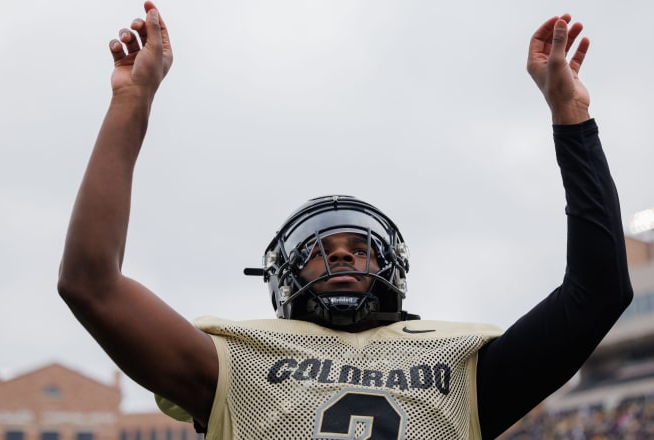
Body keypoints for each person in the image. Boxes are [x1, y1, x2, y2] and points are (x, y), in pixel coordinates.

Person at [57, 2, 633, 439]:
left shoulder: (466, 369)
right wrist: (131, 104)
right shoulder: (233, 361)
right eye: (319, 248)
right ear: (281, 274)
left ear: (391, 266)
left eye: (359, 247)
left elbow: (600, 291)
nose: (340, 255)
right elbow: (90, 284)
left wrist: (572, 117)